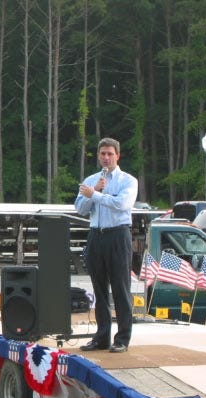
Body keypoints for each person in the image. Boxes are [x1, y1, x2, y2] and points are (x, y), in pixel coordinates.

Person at [75, 138, 138, 353]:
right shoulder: (91, 180)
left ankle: (122, 339)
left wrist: (96, 195)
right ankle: (101, 337)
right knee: (99, 289)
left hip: (118, 235)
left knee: (120, 288)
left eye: (110, 154)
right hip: (96, 235)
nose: (106, 157)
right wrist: (93, 193)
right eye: (102, 153)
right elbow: (81, 209)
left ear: (117, 156)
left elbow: (122, 204)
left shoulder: (128, 180)